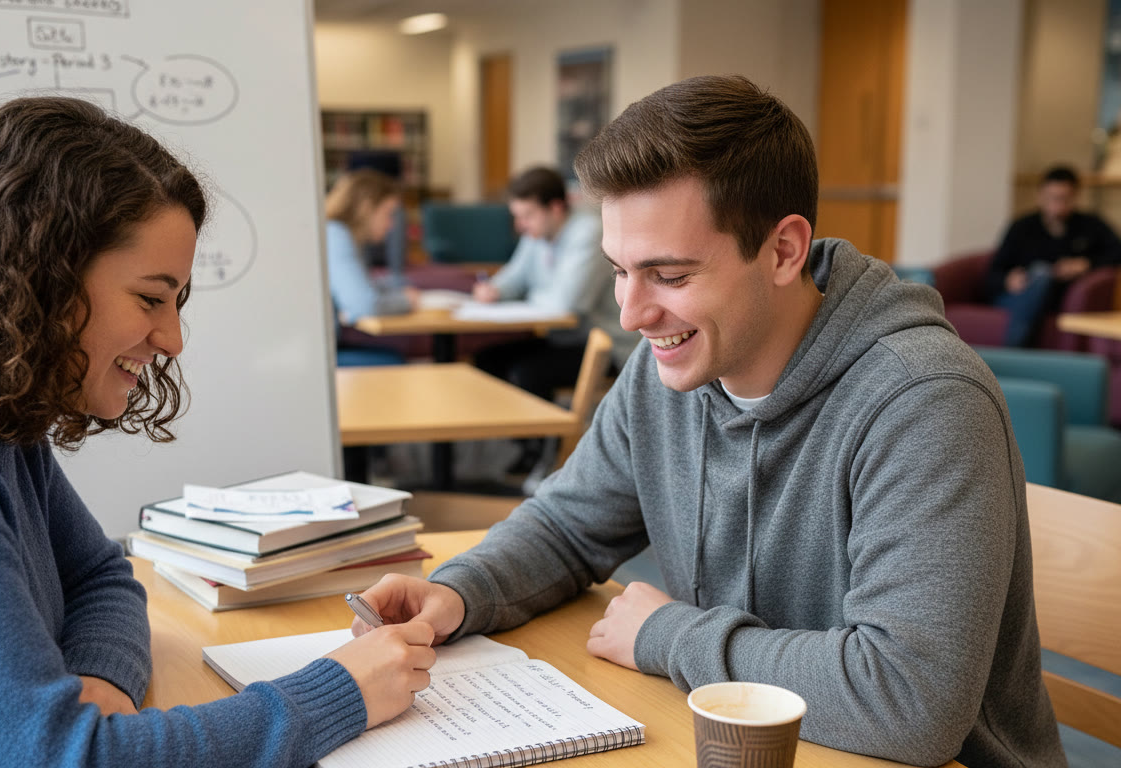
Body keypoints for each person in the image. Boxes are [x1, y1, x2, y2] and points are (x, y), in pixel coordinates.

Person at [355, 76, 1065, 767]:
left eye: (669, 276)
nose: (633, 315)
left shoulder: (923, 401)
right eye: (618, 271)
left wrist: (669, 635)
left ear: (784, 250)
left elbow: (910, 700)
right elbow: (570, 527)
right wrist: (459, 591)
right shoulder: (667, 365)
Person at [0, 96, 436, 767]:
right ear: (35, 279)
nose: (173, 339)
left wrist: (98, 678)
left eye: (176, 302)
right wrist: (340, 693)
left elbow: (100, 576)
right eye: (150, 298)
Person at [470, 166, 629, 473]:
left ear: (555, 208)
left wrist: (528, 296)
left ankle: (547, 457)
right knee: (488, 361)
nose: (520, 225)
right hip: (563, 338)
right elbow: (514, 278)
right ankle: (527, 446)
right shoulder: (538, 233)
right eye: (517, 216)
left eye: (527, 215)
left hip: (605, 343)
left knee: (528, 372)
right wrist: (494, 290)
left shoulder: (589, 232)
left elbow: (567, 304)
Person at [987, 164, 1121, 346]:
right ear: (1040, 196)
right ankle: (1014, 350)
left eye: (1064, 198)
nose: (1057, 204)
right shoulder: (1022, 227)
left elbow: (1116, 252)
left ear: (1075, 197)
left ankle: (1013, 355)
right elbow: (992, 273)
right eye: (1052, 198)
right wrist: (1008, 280)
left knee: (1044, 274)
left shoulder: (1090, 226)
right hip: (1020, 295)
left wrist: (1086, 264)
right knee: (1041, 273)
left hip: (1061, 298)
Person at [325, 168, 419, 367]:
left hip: (330, 346)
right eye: (388, 213)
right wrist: (405, 300)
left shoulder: (343, 235)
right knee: (392, 362)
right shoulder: (337, 236)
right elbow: (364, 306)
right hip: (325, 355)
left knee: (393, 356)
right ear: (367, 208)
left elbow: (364, 285)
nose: (391, 225)